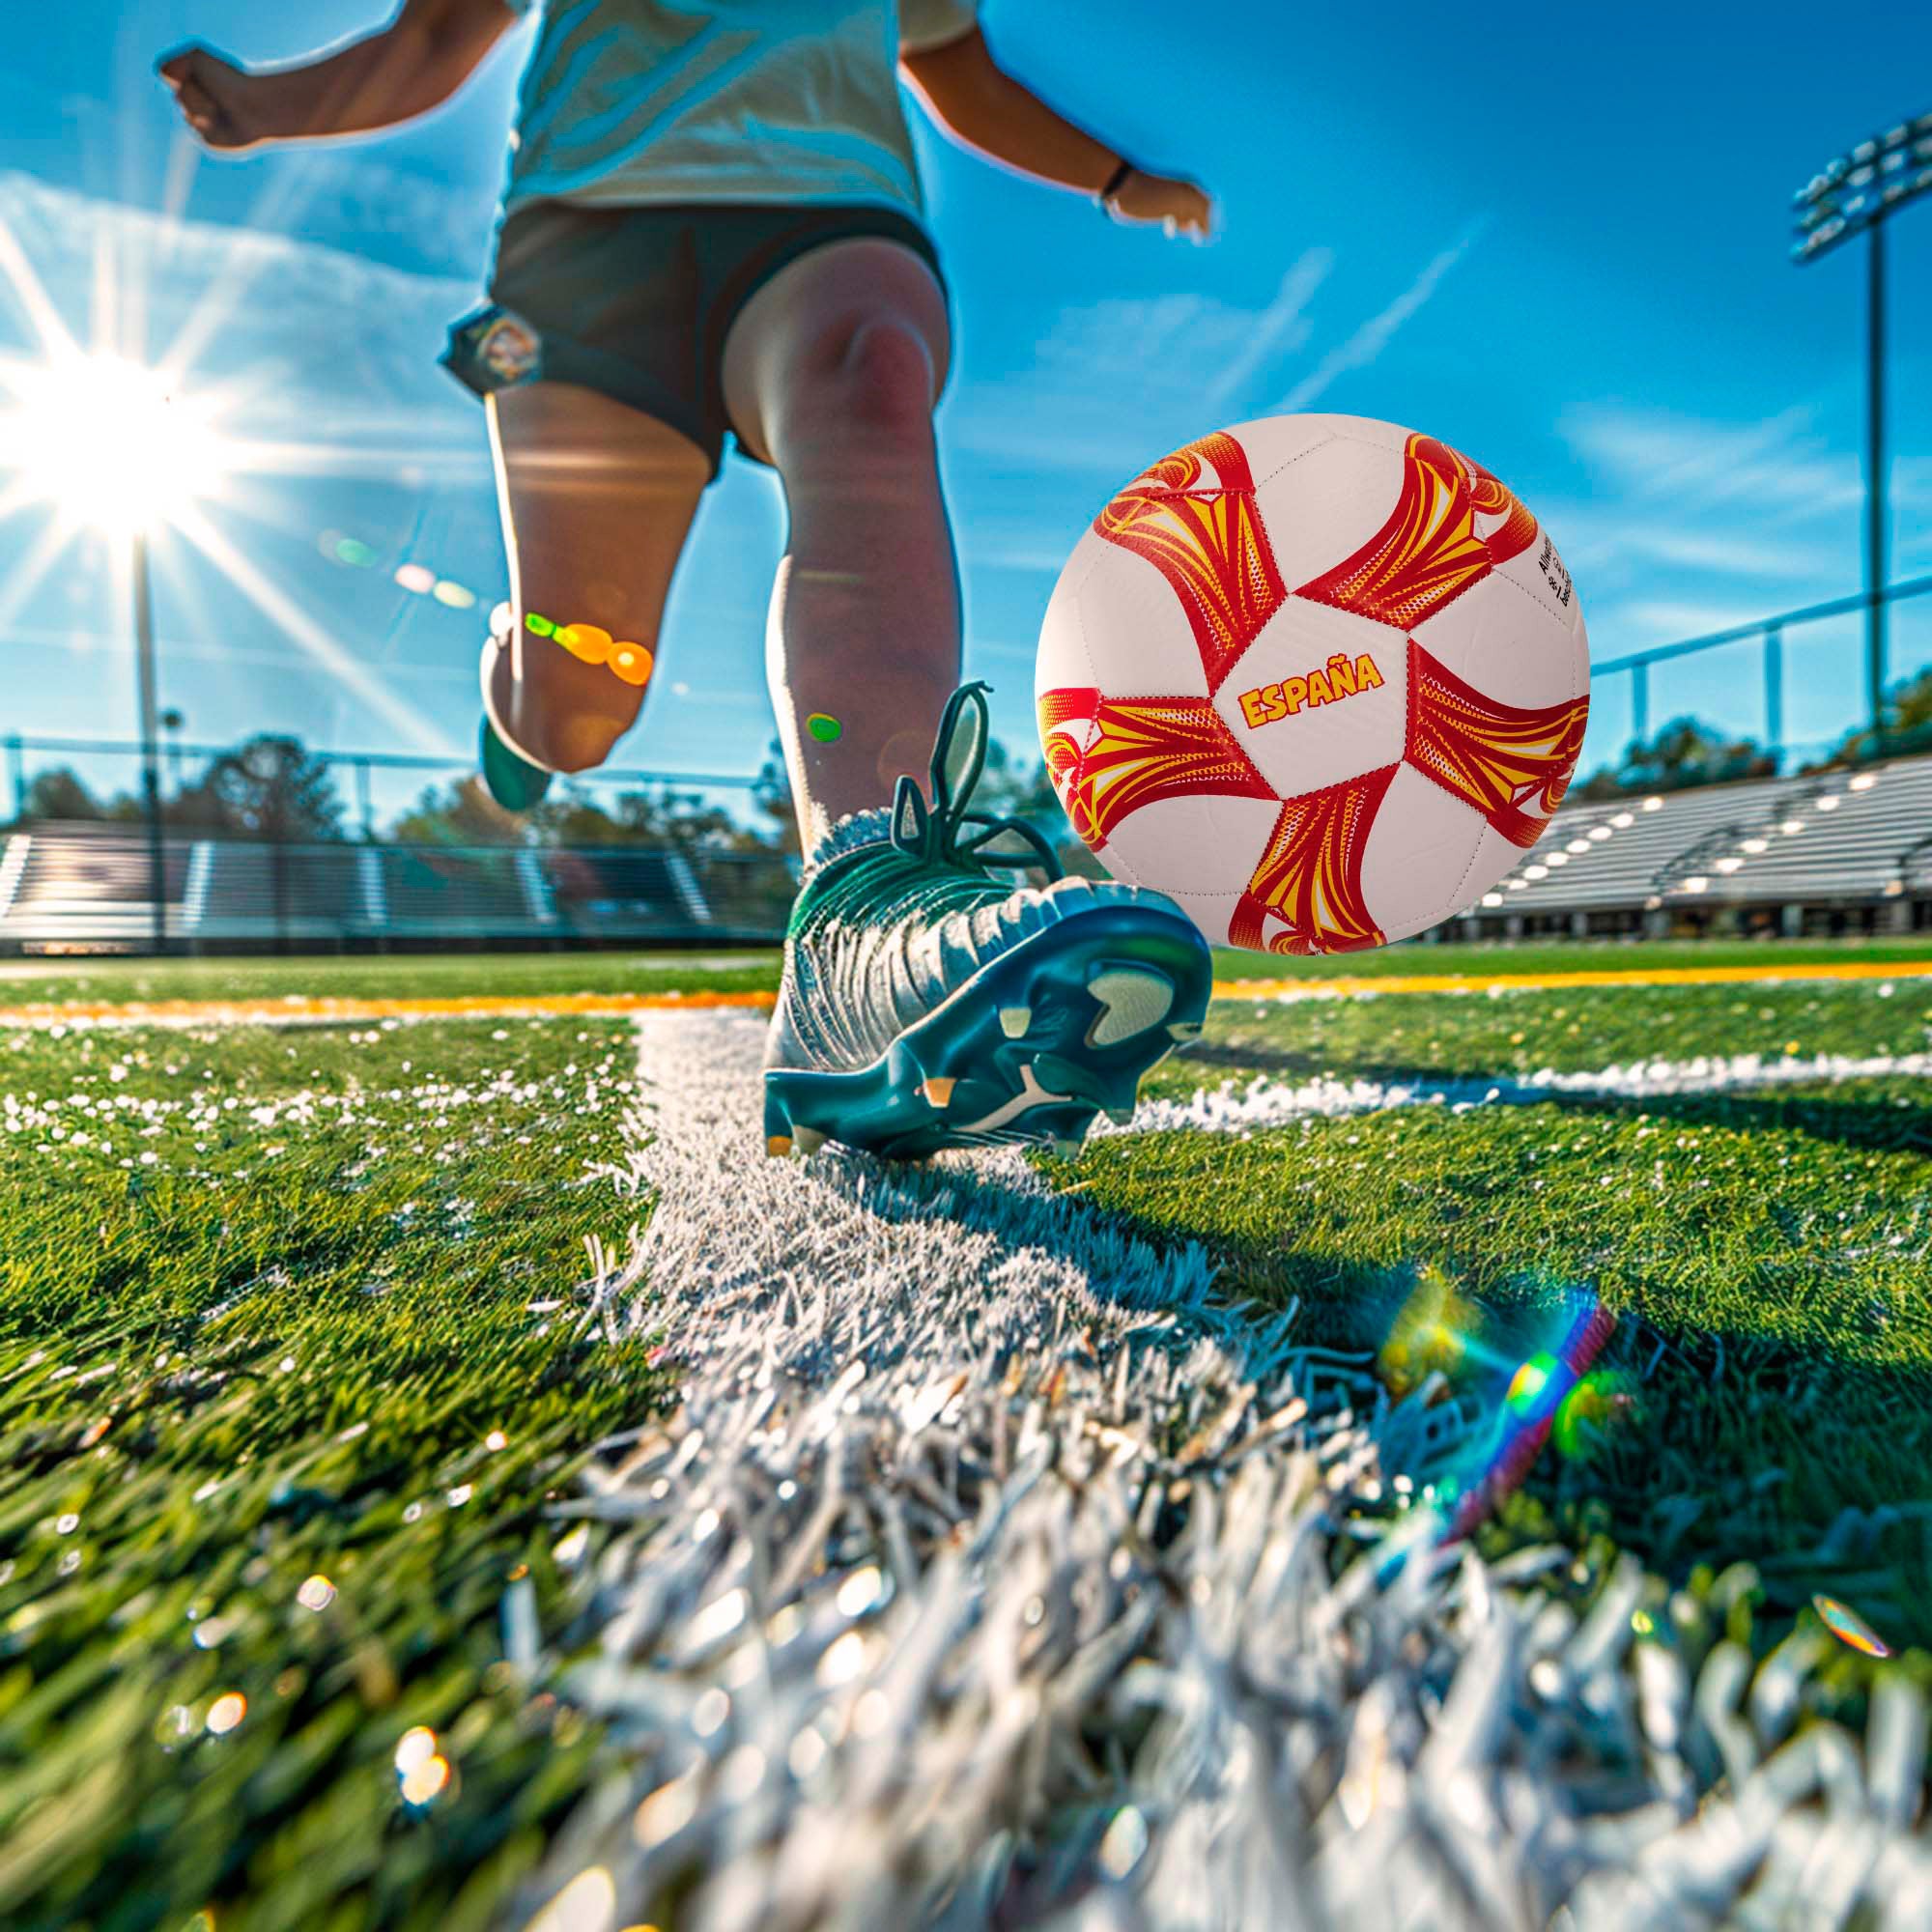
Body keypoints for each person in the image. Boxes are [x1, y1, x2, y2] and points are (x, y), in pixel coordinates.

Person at [158, 0, 1220, 1160]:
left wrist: (1118, 179)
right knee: (577, 707)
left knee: (871, 376)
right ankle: (521, 699)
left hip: (832, 212)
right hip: (586, 244)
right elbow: (436, 34)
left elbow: (956, 67)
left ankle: (871, 909)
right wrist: (266, 106)